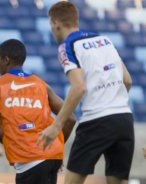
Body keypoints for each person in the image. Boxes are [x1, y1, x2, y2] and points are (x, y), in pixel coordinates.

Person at [38, 2, 134, 184]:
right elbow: (127, 80)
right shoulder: (105, 41)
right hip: (124, 119)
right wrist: (114, 102)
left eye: (51, 25)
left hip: (96, 121)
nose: (52, 30)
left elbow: (79, 87)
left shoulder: (68, 46)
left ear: (56, 23)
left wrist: (56, 126)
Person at [0, 39, 76, 184]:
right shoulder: (41, 84)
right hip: (53, 156)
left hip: (29, 159)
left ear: (6, 60)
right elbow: (70, 118)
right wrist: (53, 148)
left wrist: (19, 146)